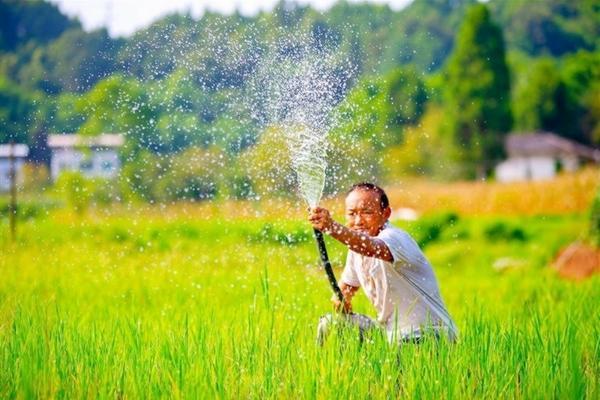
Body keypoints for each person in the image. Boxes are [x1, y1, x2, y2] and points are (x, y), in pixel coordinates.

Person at [308, 182, 457, 345]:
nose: (358, 221)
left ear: (385, 213)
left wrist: (332, 227)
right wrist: (341, 299)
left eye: (367, 212)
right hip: (392, 337)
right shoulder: (355, 249)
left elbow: (371, 247)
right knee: (333, 323)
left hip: (430, 333)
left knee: (405, 347)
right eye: (351, 213)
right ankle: (331, 368)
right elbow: (345, 291)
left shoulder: (396, 238)